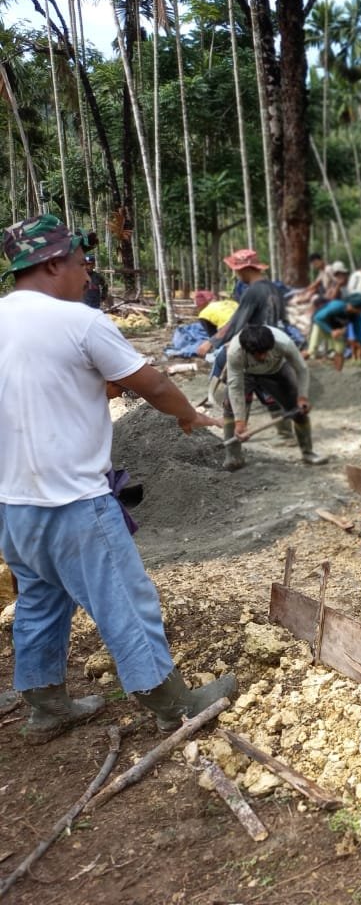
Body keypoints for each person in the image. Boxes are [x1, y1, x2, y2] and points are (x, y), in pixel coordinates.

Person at [0, 214, 236, 743]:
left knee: (39, 600)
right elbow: (151, 382)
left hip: (14, 506)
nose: (87, 276)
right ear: (53, 262)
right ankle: (173, 705)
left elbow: (35, 391)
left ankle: (45, 706)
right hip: (75, 503)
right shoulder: (80, 322)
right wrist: (187, 415)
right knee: (125, 600)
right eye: (81, 264)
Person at [223, 324, 327, 471]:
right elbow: (235, 386)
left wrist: (303, 397)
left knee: (298, 410)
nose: (263, 356)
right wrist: (240, 421)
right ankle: (233, 457)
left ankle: (308, 453)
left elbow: (302, 369)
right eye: (258, 354)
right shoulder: (235, 352)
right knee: (231, 409)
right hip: (245, 374)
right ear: (247, 350)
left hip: (276, 371)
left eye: (266, 352)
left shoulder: (283, 343)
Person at [197, 249, 286, 358]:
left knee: (221, 359)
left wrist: (211, 342)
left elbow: (236, 323)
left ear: (244, 269)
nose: (237, 274)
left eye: (236, 271)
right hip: (278, 343)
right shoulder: (274, 288)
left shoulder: (253, 291)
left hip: (259, 345)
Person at [309, 291, 361, 371]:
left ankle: (338, 374)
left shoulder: (356, 316)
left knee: (340, 351)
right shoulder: (337, 306)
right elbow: (317, 318)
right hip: (321, 325)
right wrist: (331, 331)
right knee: (311, 351)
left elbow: (358, 334)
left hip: (337, 330)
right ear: (354, 306)